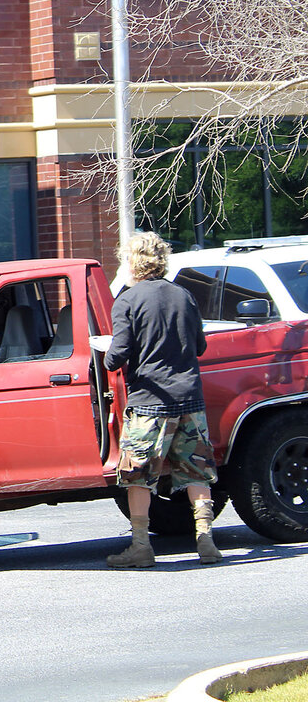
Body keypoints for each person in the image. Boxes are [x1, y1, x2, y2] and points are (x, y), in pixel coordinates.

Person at [104, 231, 222, 568]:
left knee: (137, 475)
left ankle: (141, 547)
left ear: (132, 261)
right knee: (197, 471)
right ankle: (206, 541)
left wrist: (106, 357)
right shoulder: (184, 295)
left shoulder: (127, 300)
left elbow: (119, 353)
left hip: (148, 403)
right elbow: (199, 346)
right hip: (189, 398)